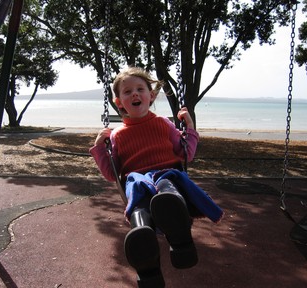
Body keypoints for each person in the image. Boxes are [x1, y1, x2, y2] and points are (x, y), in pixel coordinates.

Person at [90, 67, 223, 287]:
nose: (134, 94)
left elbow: (186, 153)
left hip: (166, 175)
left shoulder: (163, 123)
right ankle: (146, 257)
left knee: (165, 183)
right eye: (128, 91)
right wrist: (99, 148)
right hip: (137, 181)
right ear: (119, 102)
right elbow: (112, 174)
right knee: (138, 201)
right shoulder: (117, 135)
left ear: (151, 96)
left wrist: (189, 127)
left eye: (140, 89)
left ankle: (180, 239)